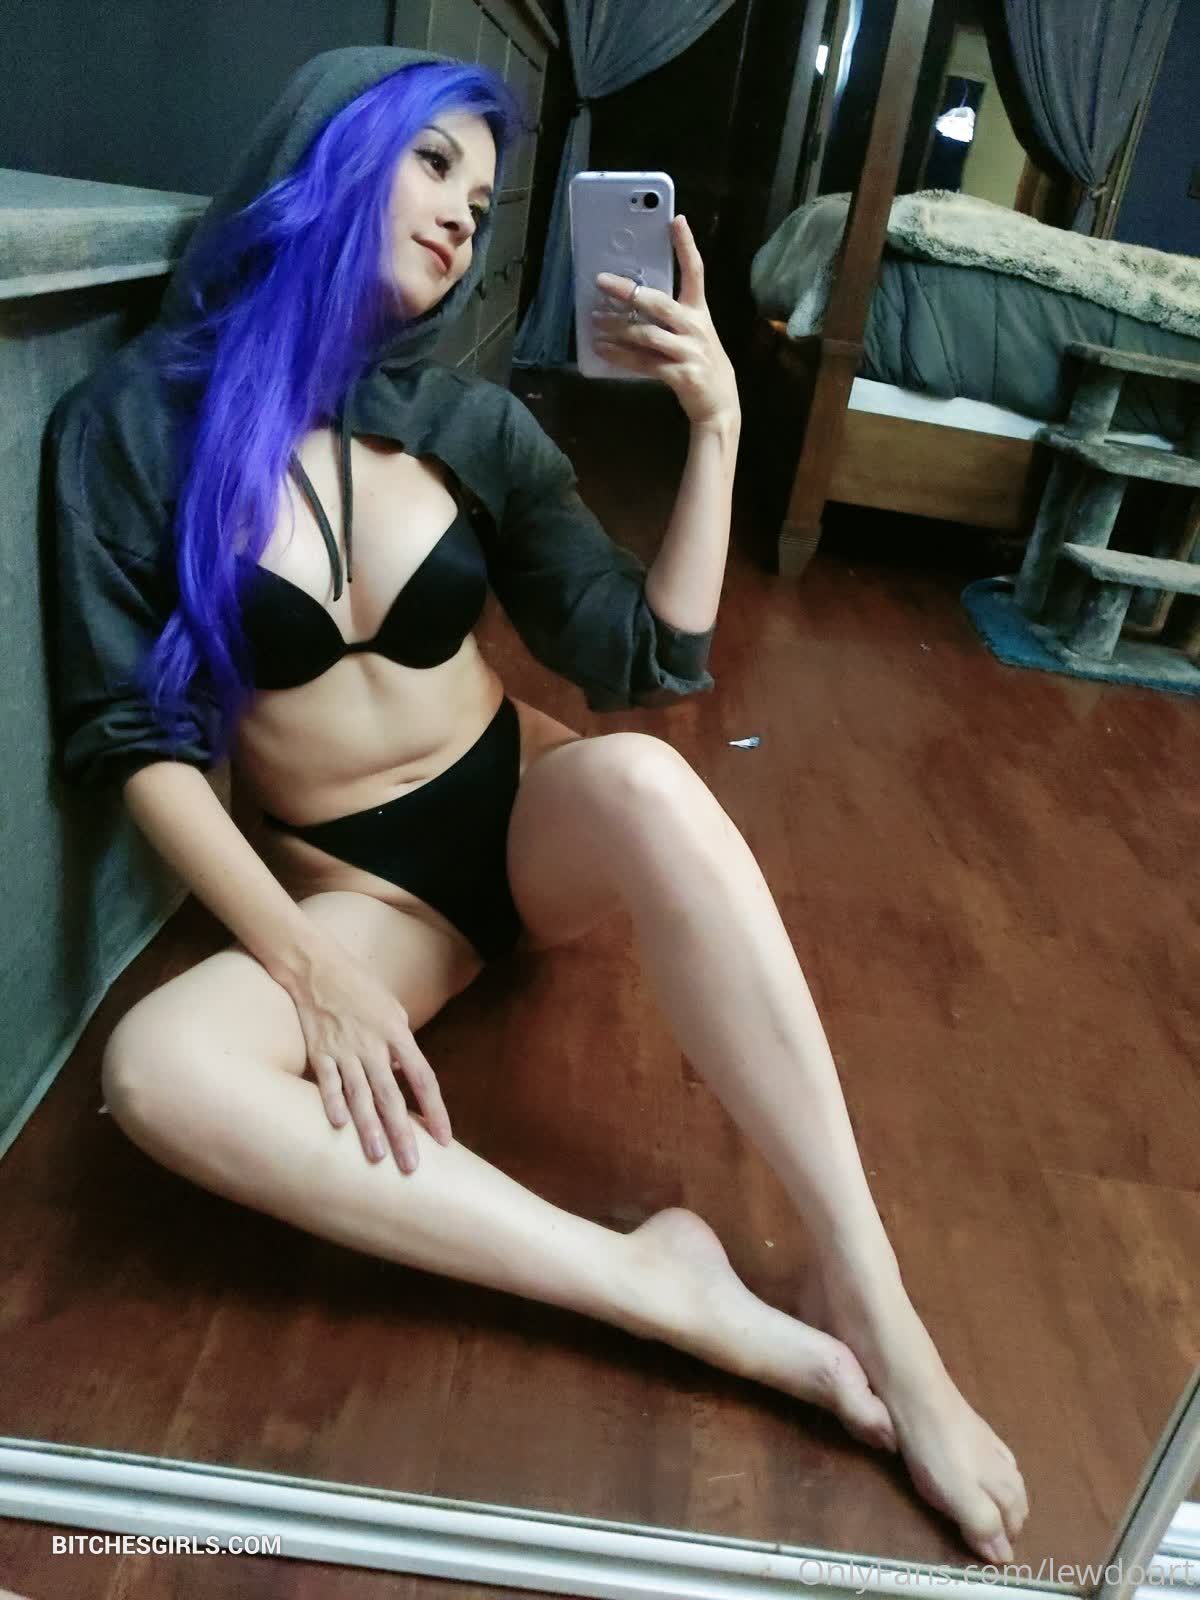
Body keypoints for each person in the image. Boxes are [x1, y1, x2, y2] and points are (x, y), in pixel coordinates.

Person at [49, 47, 1027, 1562]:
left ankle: (873, 1293)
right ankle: (652, 1289)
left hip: (520, 811)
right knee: (159, 1069)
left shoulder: (467, 425)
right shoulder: (131, 428)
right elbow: (133, 741)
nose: (464, 212)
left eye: (486, 194)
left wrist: (716, 429)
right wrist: (302, 963)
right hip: (368, 903)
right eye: (434, 164)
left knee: (640, 773)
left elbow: (643, 659)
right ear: (333, 155)